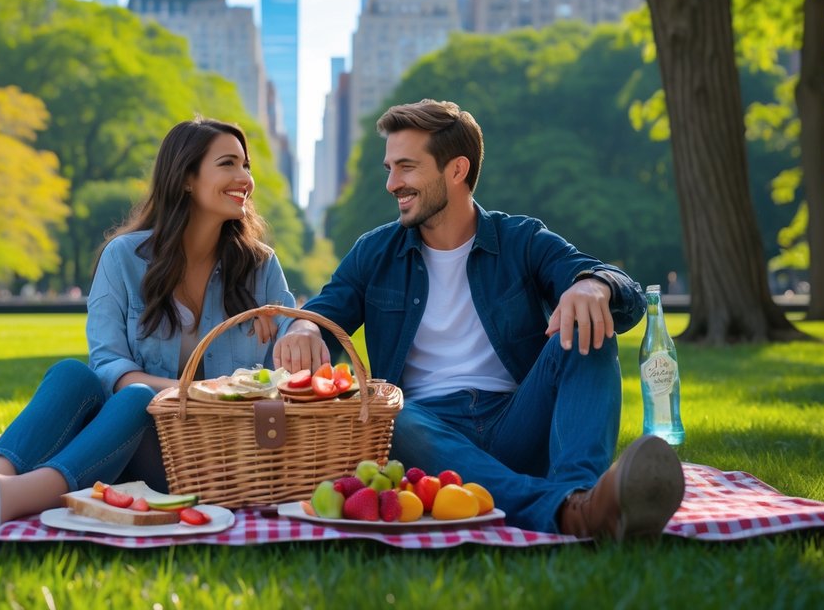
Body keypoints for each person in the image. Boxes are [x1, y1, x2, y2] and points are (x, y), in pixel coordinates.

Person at [274, 99, 684, 540]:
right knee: (392, 413)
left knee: (588, 324)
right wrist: (303, 326)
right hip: (425, 434)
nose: (392, 183)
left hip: (517, 421)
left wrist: (593, 286)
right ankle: (575, 511)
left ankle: (577, 492)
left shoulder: (520, 239)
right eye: (389, 168)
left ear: (456, 170)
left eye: (407, 167)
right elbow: (321, 311)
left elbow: (625, 291)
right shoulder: (375, 252)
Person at [0, 117, 297, 533]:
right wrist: (191, 391)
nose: (245, 178)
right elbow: (108, 364)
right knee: (73, 375)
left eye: (247, 166)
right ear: (186, 178)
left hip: (208, 456)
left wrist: (299, 336)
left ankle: (6, 500)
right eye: (229, 164)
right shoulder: (124, 258)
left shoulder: (260, 268)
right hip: (125, 441)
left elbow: (293, 358)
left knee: (135, 397)